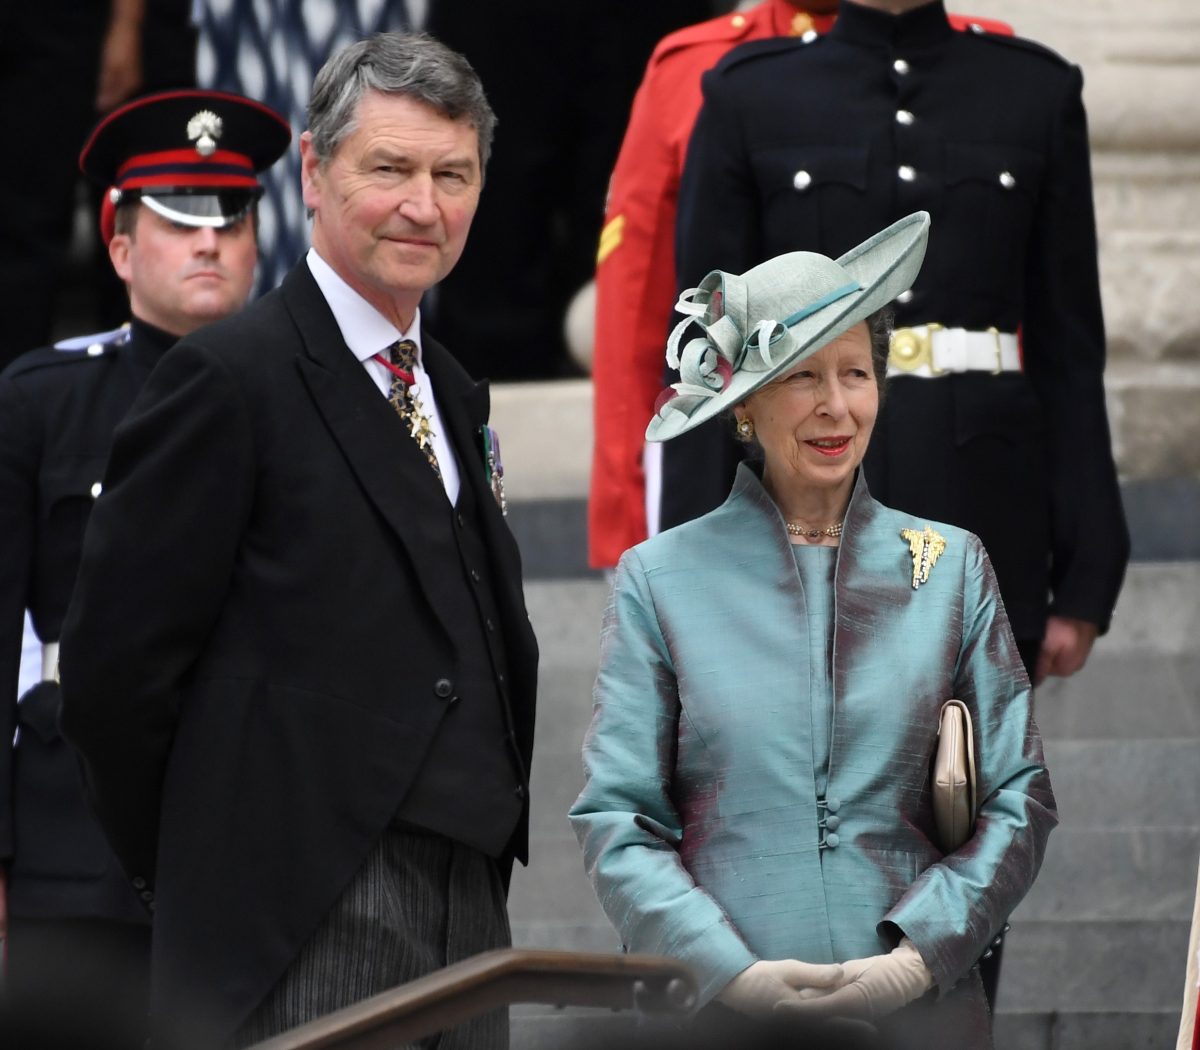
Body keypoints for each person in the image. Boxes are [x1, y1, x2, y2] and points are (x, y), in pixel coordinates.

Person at [59, 32, 538, 1050]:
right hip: (298, 915)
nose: (424, 204)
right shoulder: (227, 380)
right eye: (391, 169)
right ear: (315, 174)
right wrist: (213, 872)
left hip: (475, 909)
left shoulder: (449, 390)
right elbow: (115, 675)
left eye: (452, 175)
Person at [570, 213, 1057, 1049]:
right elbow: (619, 820)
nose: (837, 406)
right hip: (716, 1020)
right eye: (803, 377)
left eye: (857, 373)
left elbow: (1021, 798)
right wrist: (733, 975)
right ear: (746, 407)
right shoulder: (660, 580)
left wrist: (915, 957)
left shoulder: (949, 567)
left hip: (918, 1015)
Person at [0, 88, 288, 1044]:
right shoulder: (42, 403)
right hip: (71, 846)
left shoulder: (314, 403)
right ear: (119, 246)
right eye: (175, 222)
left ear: (256, 245)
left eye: (230, 221)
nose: (208, 243)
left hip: (259, 842)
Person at [585, 0, 1013, 569]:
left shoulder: (979, 61)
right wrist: (632, 512)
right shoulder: (698, 66)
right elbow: (648, 316)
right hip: (781, 495)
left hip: (963, 471)